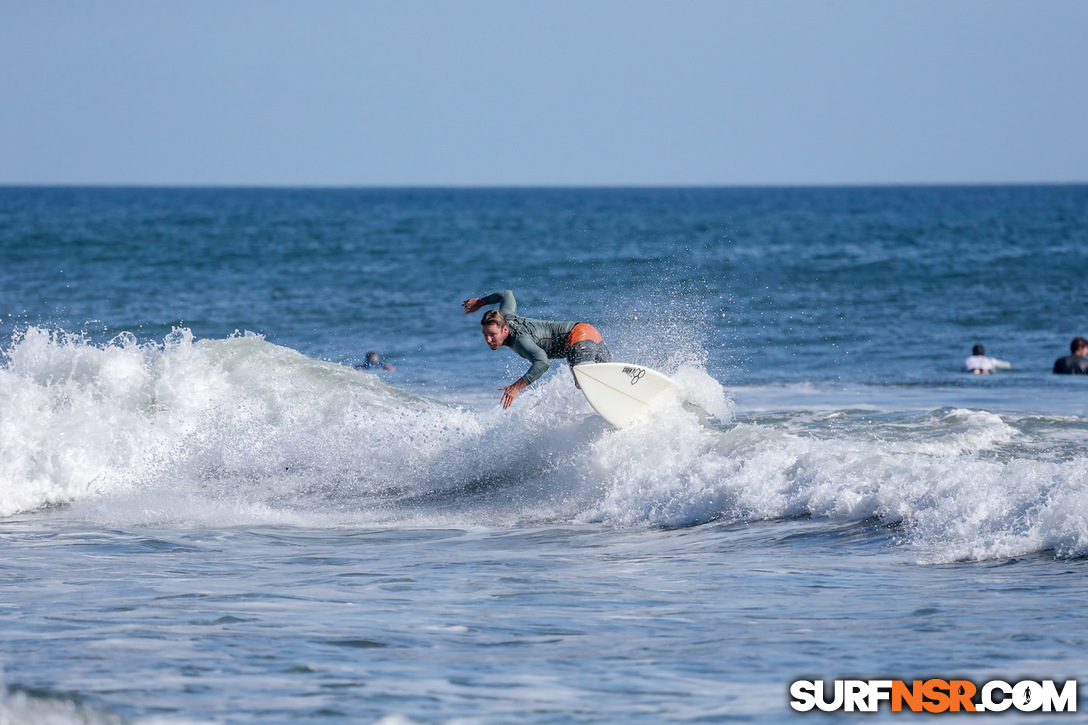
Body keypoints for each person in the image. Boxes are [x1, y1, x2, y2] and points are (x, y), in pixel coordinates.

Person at [462, 289, 611, 409]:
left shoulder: (520, 340)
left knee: (583, 382)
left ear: (505, 330)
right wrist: (480, 302)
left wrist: (516, 387)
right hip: (592, 335)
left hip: (580, 339)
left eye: (493, 334)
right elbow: (507, 294)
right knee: (608, 381)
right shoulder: (505, 315)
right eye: (485, 334)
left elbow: (542, 362)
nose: (488, 340)